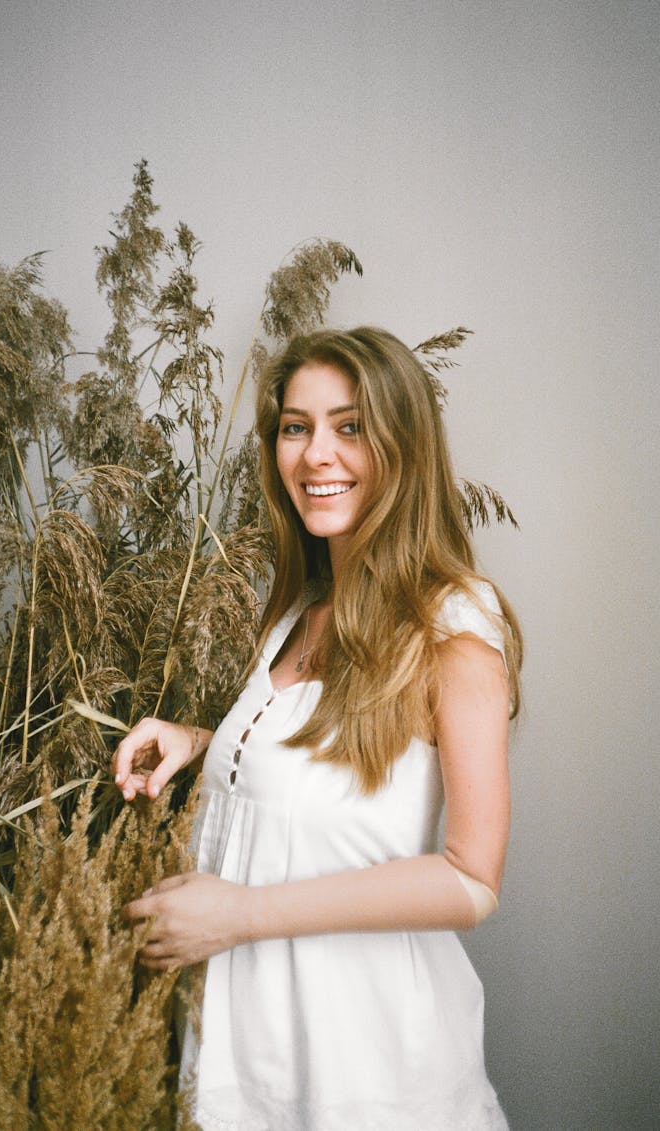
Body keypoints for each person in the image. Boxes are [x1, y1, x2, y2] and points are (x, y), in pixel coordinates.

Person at [113, 326, 522, 1131]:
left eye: (350, 425)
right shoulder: (302, 608)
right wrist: (204, 743)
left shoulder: (454, 627)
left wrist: (239, 913)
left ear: (403, 445)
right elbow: (323, 768)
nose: (314, 454)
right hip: (256, 1058)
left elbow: (472, 878)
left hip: (366, 1073)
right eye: (296, 427)